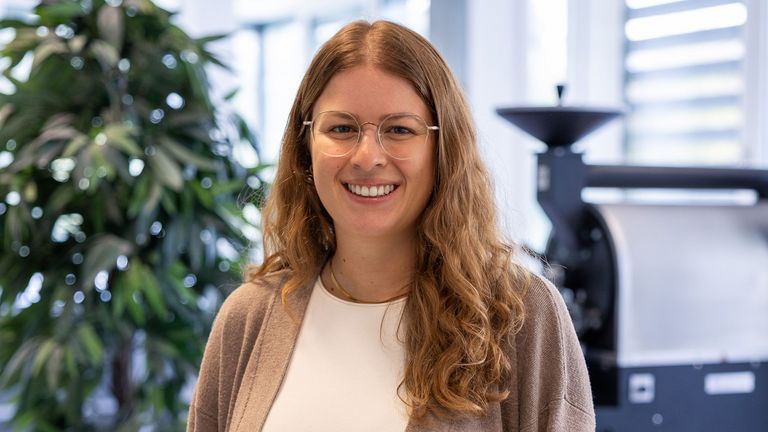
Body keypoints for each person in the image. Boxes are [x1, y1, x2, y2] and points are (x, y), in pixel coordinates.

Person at [187, 20, 595, 432]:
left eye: (400, 129)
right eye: (341, 128)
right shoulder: (249, 317)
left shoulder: (521, 317)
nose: (367, 157)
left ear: (444, 150)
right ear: (305, 147)